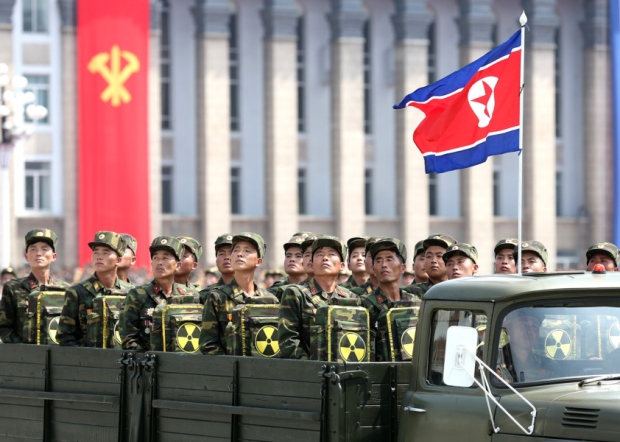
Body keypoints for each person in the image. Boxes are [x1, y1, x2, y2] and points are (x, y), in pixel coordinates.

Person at [278, 235, 357, 359]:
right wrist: (309, 365)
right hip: (309, 372)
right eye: (319, 254)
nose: (325, 258)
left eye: (331, 254)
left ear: (342, 265)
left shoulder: (350, 297)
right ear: (311, 264)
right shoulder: (296, 294)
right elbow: (288, 340)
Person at [199, 232, 277, 355]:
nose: (240, 254)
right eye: (235, 250)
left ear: (259, 261)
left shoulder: (269, 299)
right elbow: (208, 345)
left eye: (247, 250)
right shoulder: (217, 297)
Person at [120, 236, 200, 351]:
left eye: (165, 258)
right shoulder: (137, 295)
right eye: (156, 258)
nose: (159, 262)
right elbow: (128, 337)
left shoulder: (191, 296)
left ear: (177, 265)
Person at [57, 231, 133, 346]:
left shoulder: (131, 293)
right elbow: (65, 337)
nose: (99, 257)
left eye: (106, 252)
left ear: (118, 260)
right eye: (96, 252)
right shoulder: (77, 292)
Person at [0, 229, 69, 343]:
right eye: (33, 249)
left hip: (58, 356)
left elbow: (72, 328)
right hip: (26, 358)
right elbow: (4, 328)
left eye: (44, 248)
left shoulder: (66, 290)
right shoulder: (13, 288)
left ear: (54, 256)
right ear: (26, 257)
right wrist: (24, 348)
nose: (38, 253)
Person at [362, 238, 420, 328]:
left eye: (389, 259)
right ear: (373, 270)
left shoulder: (415, 303)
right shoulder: (366, 305)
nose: (384, 264)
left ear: (402, 268)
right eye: (378, 261)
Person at [497, 309, 556, 383]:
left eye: (534, 326)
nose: (528, 331)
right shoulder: (493, 361)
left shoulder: (548, 365)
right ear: (508, 329)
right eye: (522, 325)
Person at [199, 233, 234, 304]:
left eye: (231, 253)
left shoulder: (250, 292)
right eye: (221, 254)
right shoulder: (205, 295)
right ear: (216, 261)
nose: (227, 257)